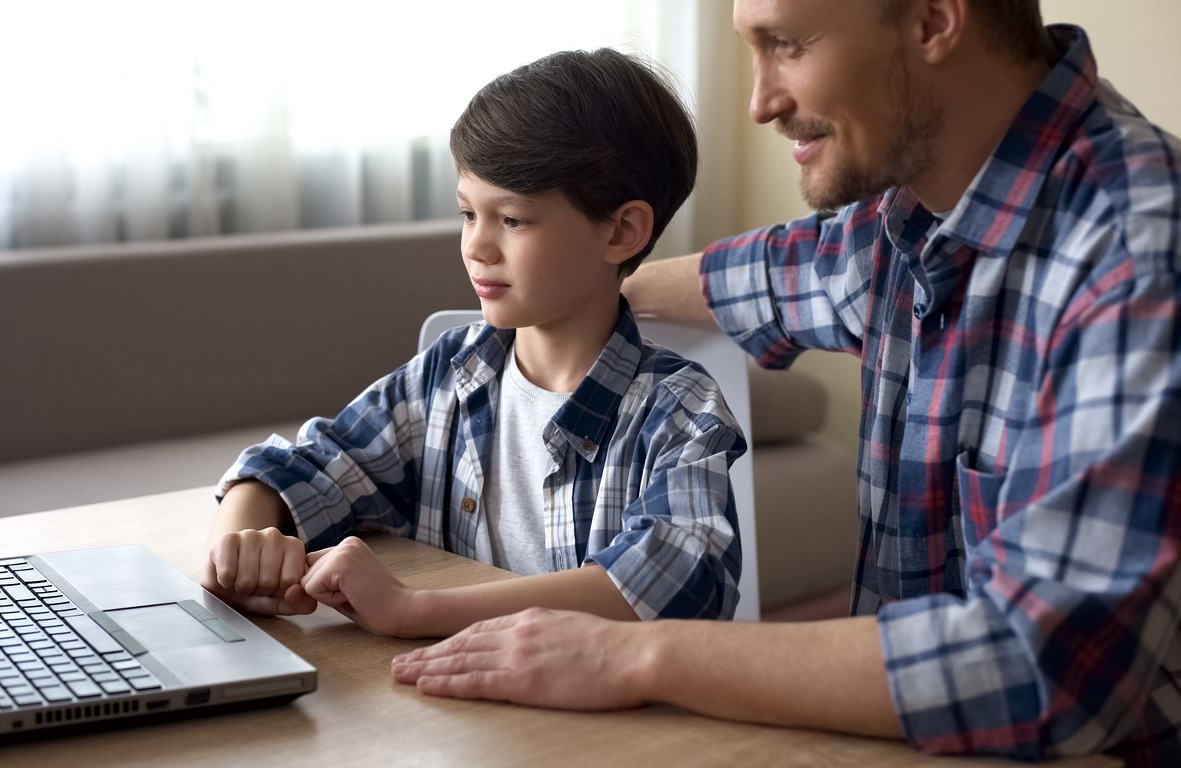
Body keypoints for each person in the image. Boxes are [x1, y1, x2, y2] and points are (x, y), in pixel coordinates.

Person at [390, 0, 1181, 764]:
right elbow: (748, 276)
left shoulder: (1138, 253)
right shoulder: (893, 228)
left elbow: (1043, 668)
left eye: (788, 44)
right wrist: (579, 290)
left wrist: (634, 655)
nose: (761, 101)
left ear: (934, 19)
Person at [202, 49, 746, 639]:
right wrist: (241, 542)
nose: (477, 247)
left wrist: (414, 609)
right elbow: (302, 465)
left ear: (621, 231)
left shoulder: (679, 409)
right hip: (459, 715)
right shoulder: (453, 372)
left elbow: (676, 578)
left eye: (512, 220)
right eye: (467, 213)